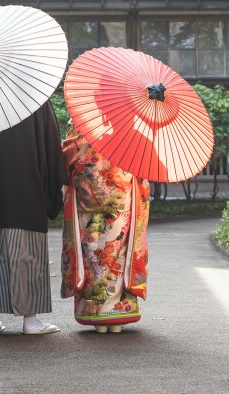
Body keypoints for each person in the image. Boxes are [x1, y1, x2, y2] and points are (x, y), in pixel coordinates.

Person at [0, 100, 66, 335]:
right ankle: (30, 320)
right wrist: (56, 184)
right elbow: (52, 146)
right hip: (26, 185)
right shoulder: (34, 99)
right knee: (26, 252)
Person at [60, 122, 150, 333]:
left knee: (93, 256)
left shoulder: (80, 122)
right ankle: (118, 315)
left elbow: (67, 157)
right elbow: (142, 162)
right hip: (122, 200)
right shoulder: (129, 122)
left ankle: (95, 315)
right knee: (119, 255)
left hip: (87, 200)